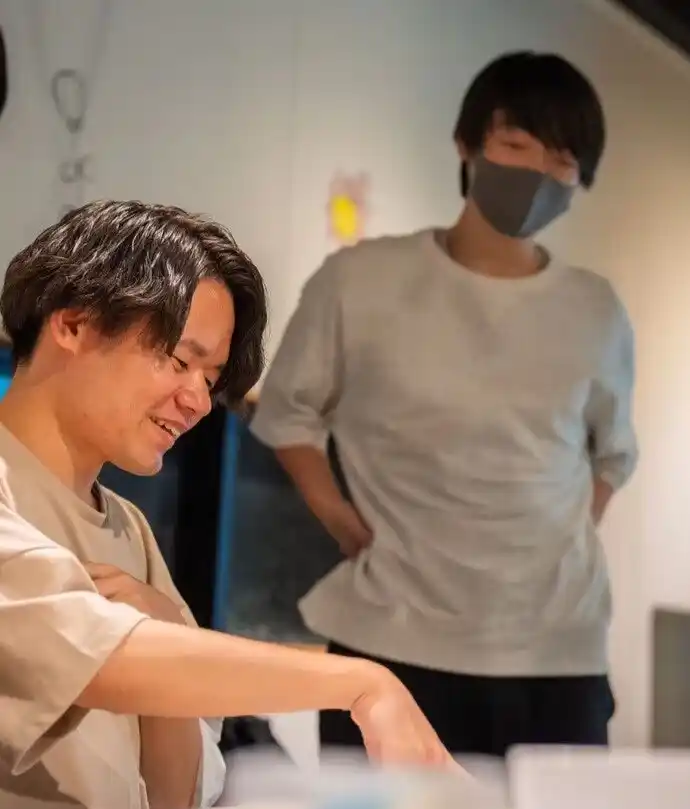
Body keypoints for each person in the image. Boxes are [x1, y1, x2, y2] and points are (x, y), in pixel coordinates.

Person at [0, 200, 452, 809]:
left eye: (210, 380)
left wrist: (165, 632)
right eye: (179, 360)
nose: (196, 401)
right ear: (75, 324)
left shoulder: (128, 528)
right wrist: (361, 682)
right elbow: (97, 654)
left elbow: (175, 794)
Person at [250, 50, 638, 757]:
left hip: (556, 651)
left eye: (561, 161)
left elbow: (613, 453)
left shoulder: (595, 308)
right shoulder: (361, 280)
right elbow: (285, 411)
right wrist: (339, 518)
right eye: (516, 145)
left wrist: (557, 538)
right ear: (467, 143)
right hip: (392, 639)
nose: (537, 174)